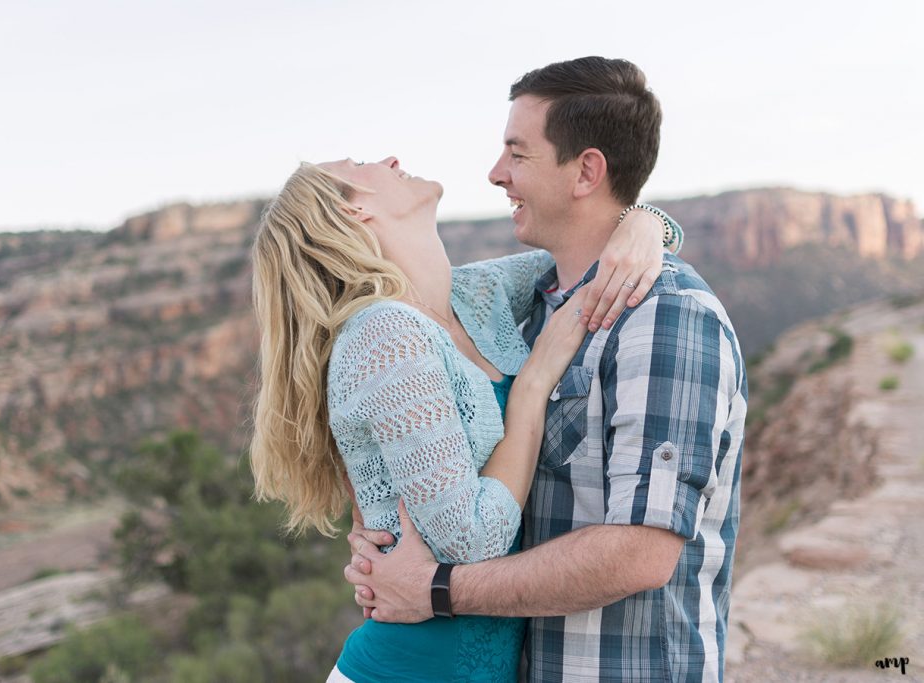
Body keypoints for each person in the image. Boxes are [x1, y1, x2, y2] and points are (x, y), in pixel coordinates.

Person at [345, 57, 746, 682]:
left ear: (587, 170)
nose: (496, 174)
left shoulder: (667, 319)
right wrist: (377, 534)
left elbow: (640, 554)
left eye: (518, 154)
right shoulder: (524, 311)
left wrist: (436, 589)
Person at [249, 153, 680, 682]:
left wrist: (646, 221)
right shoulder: (383, 335)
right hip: (405, 671)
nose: (391, 158)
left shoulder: (475, 295)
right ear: (354, 210)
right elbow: (469, 542)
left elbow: (591, 255)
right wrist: (532, 387)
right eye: (362, 164)